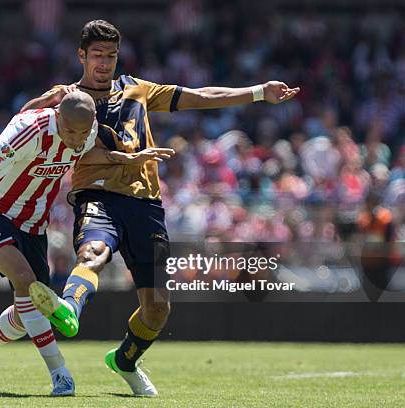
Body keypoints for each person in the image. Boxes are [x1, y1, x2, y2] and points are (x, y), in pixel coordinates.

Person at [22, 19, 300, 396]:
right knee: (93, 252)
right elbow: (26, 119)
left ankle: (125, 360)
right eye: (97, 56)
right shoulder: (69, 99)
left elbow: (199, 96)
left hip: (146, 206)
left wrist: (257, 92)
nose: (104, 63)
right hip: (98, 196)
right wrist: (36, 110)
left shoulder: (138, 90)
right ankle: (68, 307)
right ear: (81, 56)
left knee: (158, 310)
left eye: (111, 55)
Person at [0, 90, 174, 396]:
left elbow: (86, 153)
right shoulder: (28, 130)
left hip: (33, 222)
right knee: (27, 283)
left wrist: (120, 158)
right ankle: (60, 374)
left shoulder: (87, 131)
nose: (75, 139)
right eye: (69, 131)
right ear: (58, 116)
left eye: (82, 133)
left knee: (31, 309)